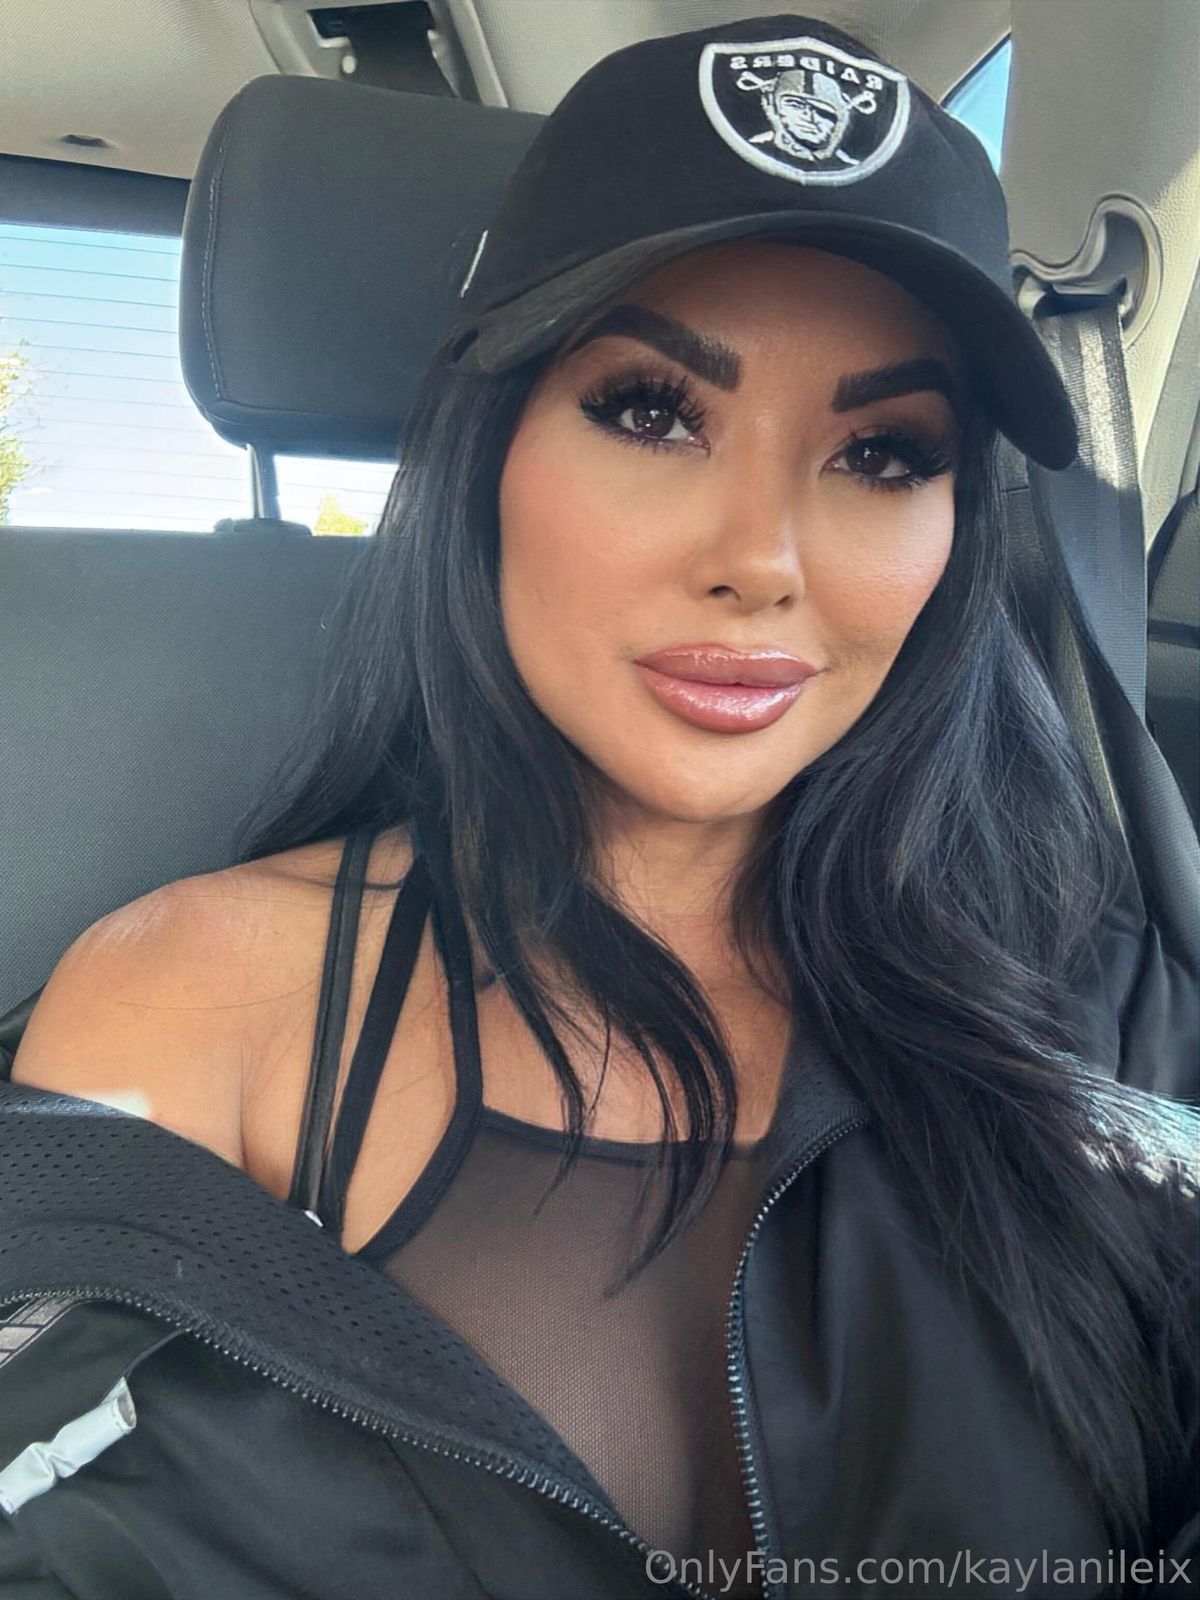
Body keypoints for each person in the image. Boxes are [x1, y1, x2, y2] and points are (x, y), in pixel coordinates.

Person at [2, 14, 1197, 1600]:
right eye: (650, 410)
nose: (762, 557)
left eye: (883, 453)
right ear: (486, 445)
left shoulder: (1106, 1012)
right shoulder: (190, 995)